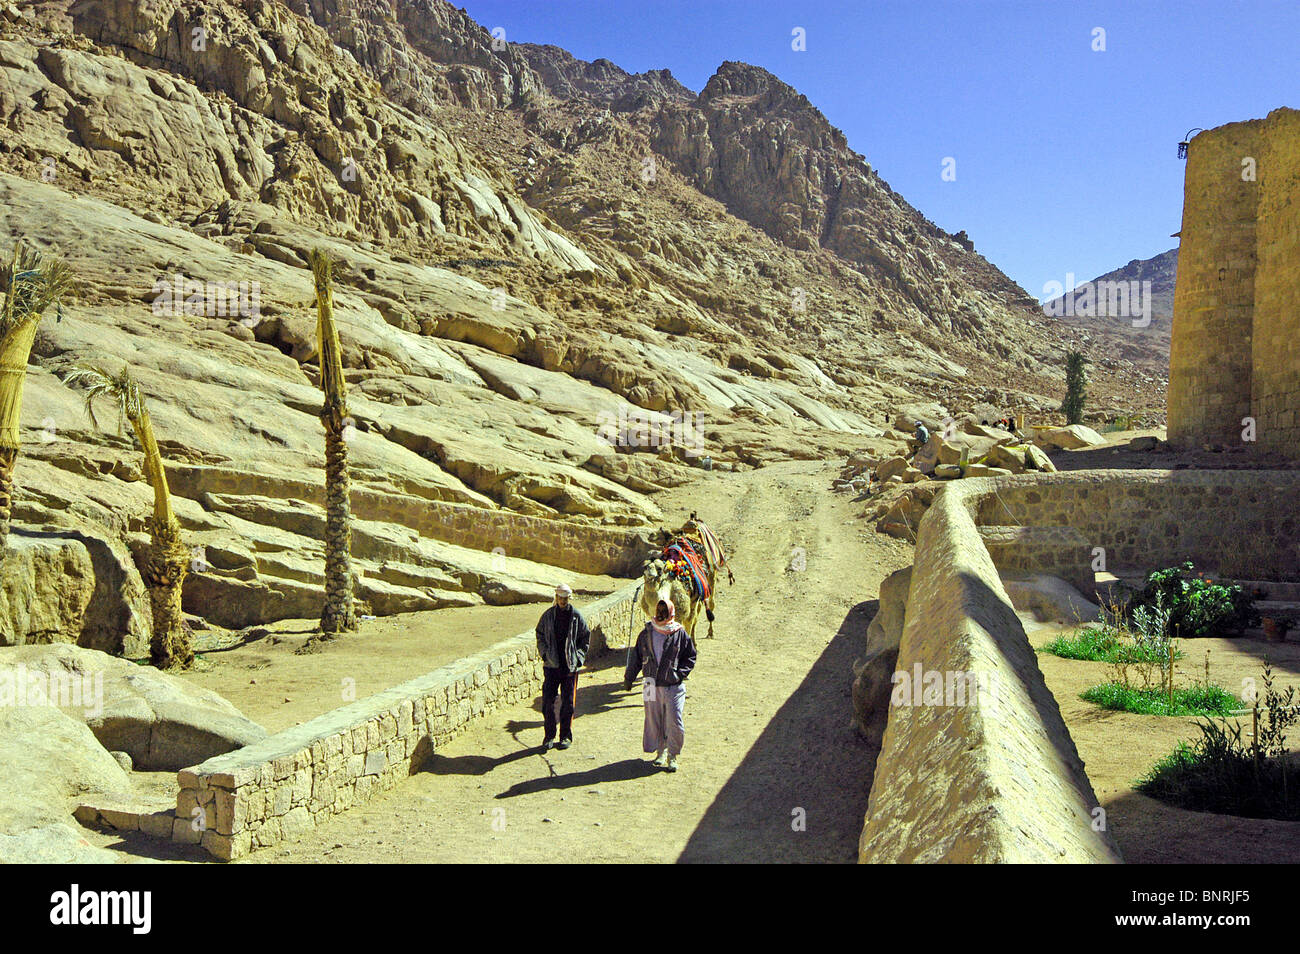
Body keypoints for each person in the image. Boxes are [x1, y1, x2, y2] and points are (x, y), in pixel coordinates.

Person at [623, 598, 697, 772]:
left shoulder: (679, 633)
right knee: (653, 719)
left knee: (674, 720)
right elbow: (636, 658)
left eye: (665, 610)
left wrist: (679, 674)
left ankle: (673, 755)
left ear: (671, 612)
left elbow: (690, 656)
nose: (661, 613)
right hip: (649, 683)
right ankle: (660, 751)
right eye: (659, 610)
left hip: (673, 685)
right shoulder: (647, 632)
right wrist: (629, 679)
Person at [535, 583, 590, 752]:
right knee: (547, 704)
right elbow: (540, 634)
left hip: (569, 668)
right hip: (551, 666)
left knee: (568, 704)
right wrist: (544, 654)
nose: (563, 601)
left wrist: (579, 658)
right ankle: (549, 736)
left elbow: (585, 637)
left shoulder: (576, 617)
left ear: (568, 599)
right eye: (560, 598)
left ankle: (565, 736)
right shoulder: (548, 616)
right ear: (556, 598)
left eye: (565, 599)